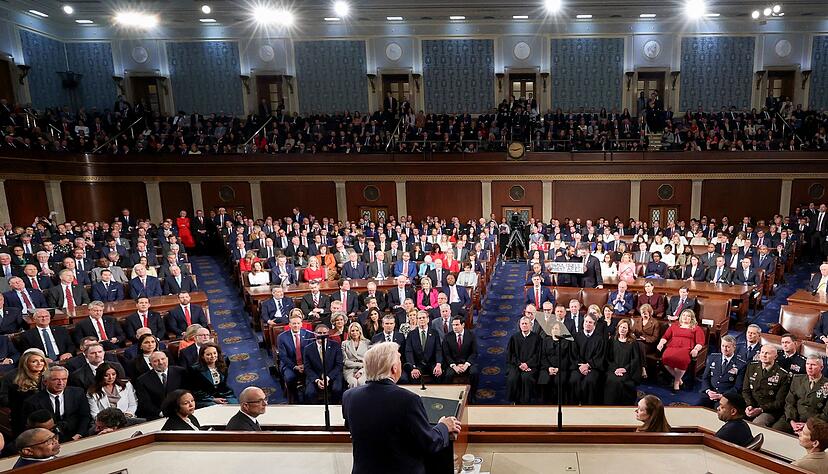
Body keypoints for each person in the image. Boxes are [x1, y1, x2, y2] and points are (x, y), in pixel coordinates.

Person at [342, 342, 461, 473]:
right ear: (394, 368)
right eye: (399, 360)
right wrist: (443, 426)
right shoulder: (408, 400)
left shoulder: (348, 396)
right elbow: (429, 442)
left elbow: (353, 429)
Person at [23, 366, 91, 441]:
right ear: (45, 382)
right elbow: (32, 429)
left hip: (77, 436)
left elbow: (85, 416)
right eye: (55, 379)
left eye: (64, 379)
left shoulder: (78, 393)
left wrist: (79, 434)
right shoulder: (32, 402)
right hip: (48, 440)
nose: (60, 383)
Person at [774, 355, 828, 434]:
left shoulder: (826, 384)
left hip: (815, 423)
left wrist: (807, 425)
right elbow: (789, 402)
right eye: (807, 364)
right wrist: (792, 422)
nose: (809, 367)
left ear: (821, 367)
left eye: (813, 365)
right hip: (793, 418)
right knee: (776, 429)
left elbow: (826, 413)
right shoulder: (797, 379)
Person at [0, 348, 46, 437]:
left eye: (41, 360)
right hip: (22, 415)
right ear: (25, 363)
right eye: (34, 361)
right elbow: (4, 398)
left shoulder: (49, 375)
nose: (39, 363)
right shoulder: (11, 377)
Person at [742, 345, 792, 427]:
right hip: (751, 405)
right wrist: (749, 405)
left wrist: (761, 409)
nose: (764, 355)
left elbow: (779, 402)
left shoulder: (783, 375)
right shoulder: (751, 367)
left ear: (775, 356)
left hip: (769, 410)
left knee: (757, 424)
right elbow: (746, 390)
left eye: (767, 353)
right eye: (762, 352)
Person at [657, 309, 706, 392]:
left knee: (681, 360)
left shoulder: (696, 328)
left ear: (692, 318)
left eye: (688, 316)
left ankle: (676, 382)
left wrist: (696, 349)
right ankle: (679, 380)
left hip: (686, 349)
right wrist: (661, 343)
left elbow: (700, 342)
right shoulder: (674, 326)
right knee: (665, 358)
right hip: (672, 347)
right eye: (684, 315)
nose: (685, 317)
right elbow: (665, 336)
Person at [134, 351, 186, 420]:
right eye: (156, 361)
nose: (160, 362)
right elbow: (145, 402)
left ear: (167, 359)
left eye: (163, 359)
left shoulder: (181, 372)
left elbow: (187, 392)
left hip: (182, 410)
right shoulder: (142, 380)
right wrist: (160, 413)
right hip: (158, 416)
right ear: (150, 364)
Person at [698, 335, 747, 408]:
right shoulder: (713, 357)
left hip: (726, 396)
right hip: (710, 393)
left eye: (728, 347)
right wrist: (708, 391)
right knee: (697, 407)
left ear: (734, 347)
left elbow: (737, 387)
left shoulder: (741, 364)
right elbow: (705, 377)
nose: (724, 349)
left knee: (719, 410)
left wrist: (722, 396)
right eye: (723, 346)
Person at [604, 319, 641, 405]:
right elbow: (608, 358)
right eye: (620, 327)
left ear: (628, 330)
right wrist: (615, 369)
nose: (622, 329)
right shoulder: (612, 340)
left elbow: (635, 359)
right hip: (613, 369)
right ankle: (609, 404)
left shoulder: (633, 342)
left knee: (621, 381)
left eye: (624, 328)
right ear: (618, 328)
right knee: (611, 380)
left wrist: (625, 369)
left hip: (628, 370)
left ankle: (623, 405)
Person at [188, 342, 237, 408]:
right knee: (215, 408)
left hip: (223, 393)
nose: (213, 356)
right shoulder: (194, 369)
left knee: (234, 404)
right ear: (202, 356)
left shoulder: (224, 362)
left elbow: (224, 383)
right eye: (208, 354)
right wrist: (213, 399)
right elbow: (196, 391)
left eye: (214, 353)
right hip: (205, 398)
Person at [571, 313, 606, 404]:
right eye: (586, 321)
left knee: (589, 381)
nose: (587, 324)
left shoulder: (599, 338)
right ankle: (574, 406)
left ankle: (588, 406)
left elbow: (599, 355)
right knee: (574, 379)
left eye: (590, 322)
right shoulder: (576, 336)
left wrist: (588, 365)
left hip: (593, 367)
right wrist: (581, 366)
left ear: (594, 325)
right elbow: (574, 353)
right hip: (578, 367)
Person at [441, 318, 479, 399]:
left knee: (474, 373)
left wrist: (466, 364)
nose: (454, 327)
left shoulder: (471, 335)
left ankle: (472, 395)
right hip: (453, 363)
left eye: (457, 325)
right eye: (453, 325)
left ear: (463, 325)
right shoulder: (447, 337)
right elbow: (446, 354)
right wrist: (454, 366)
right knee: (448, 375)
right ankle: (449, 396)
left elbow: (474, 352)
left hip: (467, 362)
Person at [538, 320, 574, 404]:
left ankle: (558, 403)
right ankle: (544, 404)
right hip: (546, 368)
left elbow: (567, 358)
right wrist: (549, 368)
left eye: (557, 329)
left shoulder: (566, 342)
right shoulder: (545, 341)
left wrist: (558, 368)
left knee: (559, 381)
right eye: (553, 328)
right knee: (544, 380)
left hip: (561, 368)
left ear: (561, 331)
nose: (554, 330)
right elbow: (543, 356)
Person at [405, 311, 443, 384]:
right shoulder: (411, 334)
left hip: (432, 363)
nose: (422, 319)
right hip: (417, 364)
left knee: (438, 374)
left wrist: (438, 364)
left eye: (423, 317)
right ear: (417, 320)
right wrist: (413, 367)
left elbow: (438, 350)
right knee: (414, 376)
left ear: (428, 319)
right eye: (419, 318)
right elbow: (409, 352)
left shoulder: (435, 333)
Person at [342, 322, 370, 389]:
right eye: (352, 331)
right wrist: (360, 364)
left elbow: (369, 361)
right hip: (350, 370)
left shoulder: (367, 342)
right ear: (349, 332)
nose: (355, 333)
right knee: (353, 382)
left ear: (360, 331)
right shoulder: (345, 343)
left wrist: (361, 371)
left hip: (364, 369)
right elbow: (345, 361)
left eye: (357, 330)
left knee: (361, 382)